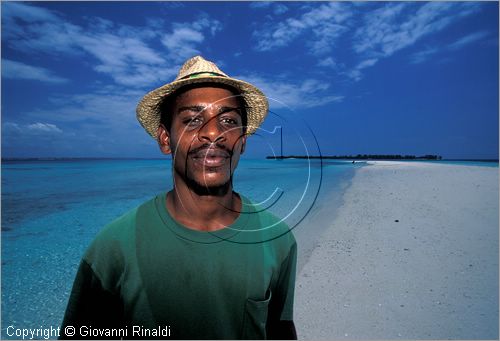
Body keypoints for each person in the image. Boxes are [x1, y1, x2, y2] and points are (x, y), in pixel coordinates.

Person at [60, 56, 297, 340]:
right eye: (193, 120)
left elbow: (280, 329)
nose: (213, 133)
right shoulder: (113, 250)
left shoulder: (277, 240)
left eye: (228, 121)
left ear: (242, 142)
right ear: (165, 139)